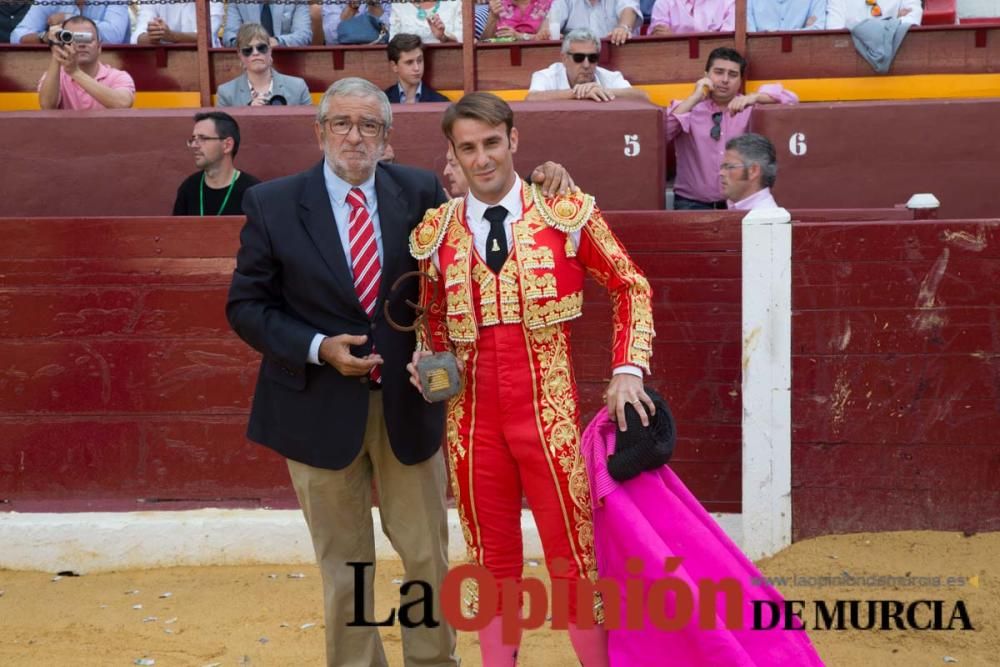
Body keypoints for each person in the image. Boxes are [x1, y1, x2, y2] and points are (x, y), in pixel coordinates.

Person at [408, 92, 655, 667]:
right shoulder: (436, 232)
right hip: (470, 422)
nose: (483, 158)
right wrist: (425, 360)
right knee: (490, 561)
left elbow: (630, 286)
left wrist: (627, 370)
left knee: (574, 558)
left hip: (550, 417)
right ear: (453, 154)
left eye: (492, 143)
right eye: (468, 148)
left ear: (513, 140)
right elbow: (433, 321)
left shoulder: (565, 213)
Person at [226, 77, 457, 667]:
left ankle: (433, 661)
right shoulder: (273, 203)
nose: (355, 137)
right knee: (345, 561)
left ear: (387, 137)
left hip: (407, 402)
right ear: (319, 131)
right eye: (342, 125)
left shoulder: (421, 189)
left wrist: (549, 178)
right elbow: (246, 307)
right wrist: (317, 346)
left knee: (426, 553)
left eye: (369, 126)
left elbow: (454, 278)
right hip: (315, 404)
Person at [665, 47, 797, 210]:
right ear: (706, 75)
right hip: (690, 203)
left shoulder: (750, 107)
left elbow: (791, 100)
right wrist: (695, 97)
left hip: (739, 204)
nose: (725, 80)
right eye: (719, 72)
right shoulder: (687, 108)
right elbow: (660, 134)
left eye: (733, 75)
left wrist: (754, 97)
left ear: (741, 80)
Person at [174, 111, 261, 217]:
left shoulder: (253, 192)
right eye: (193, 139)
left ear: (227, 145)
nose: (194, 146)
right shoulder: (189, 187)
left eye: (203, 138)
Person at [37, 15, 135, 110]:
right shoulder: (54, 77)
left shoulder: (118, 77)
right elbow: (47, 106)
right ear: (63, 43)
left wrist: (75, 72)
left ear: (99, 47)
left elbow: (122, 104)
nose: (82, 44)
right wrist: (57, 50)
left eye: (87, 38)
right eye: (74, 38)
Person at [526, 28, 649, 102]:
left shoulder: (609, 77)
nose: (586, 64)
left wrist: (601, 91)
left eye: (592, 58)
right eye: (578, 58)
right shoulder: (546, 75)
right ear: (564, 58)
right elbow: (531, 99)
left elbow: (642, 97)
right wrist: (577, 93)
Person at [216, 23, 311, 106]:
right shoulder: (226, 93)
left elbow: (309, 123)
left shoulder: (298, 87)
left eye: (261, 48)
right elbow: (224, 126)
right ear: (240, 55)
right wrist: (248, 112)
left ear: (270, 50)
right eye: (247, 50)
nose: (255, 53)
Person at [12, 1, 130, 44]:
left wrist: (70, 20)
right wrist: (44, 37)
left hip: (107, 68)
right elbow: (17, 36)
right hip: (58, 69)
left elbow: (113, 36)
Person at [384, 33, 450, 104]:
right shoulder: (381, 102)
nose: (417, 68)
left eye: (419, 61)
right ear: (394, 66)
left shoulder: (441, 102)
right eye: (409, 62)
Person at [721, 133, 780, 211]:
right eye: (722, 167)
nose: (721, 173)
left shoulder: (766, 219)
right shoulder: (740, 211)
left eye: (730, 167)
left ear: (753, 171)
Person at [546, 0, 642, 45]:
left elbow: (629, 9)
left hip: (618, 56)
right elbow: (552, 20)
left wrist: (623, 27)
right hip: (577, 61)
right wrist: (545, 32)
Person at [132, 1, 225, 46]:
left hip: (205, 65)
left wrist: (172, 36)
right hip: (162, 66)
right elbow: (137, 38)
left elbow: (206, 36)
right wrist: (154, 36)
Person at [223, 0, 312, 47]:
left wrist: (277, 41)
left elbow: (304, 35)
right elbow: (229, 37)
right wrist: (249, 42)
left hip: (287, 58)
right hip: (250, 58)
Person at [389, 0, 463, 43]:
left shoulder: (455, 4)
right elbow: (393, 46)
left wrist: (443, 37)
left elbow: (464, 41)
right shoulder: (398, 7)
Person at [321, 0, 389, 44]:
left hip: (378, 53)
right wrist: (352, 7)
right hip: (345, 53)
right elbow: (331, 39)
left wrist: (374, 5)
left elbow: (390, 35)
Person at [480, 0, 554, 41]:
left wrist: (519, 36)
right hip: (502, 57)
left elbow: (549, 37)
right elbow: (484, 41)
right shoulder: (499, 4)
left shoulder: (548, 3)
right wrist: (493, 16)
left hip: (540, 55)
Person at [648, 0, 734, 35]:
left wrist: (676, 37)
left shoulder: (729, 2)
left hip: (717, 65)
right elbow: (660, 38)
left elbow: (727, 42)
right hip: (672, 62)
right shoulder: (664, 2)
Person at [826, 0, 922, 30]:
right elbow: (834, 31)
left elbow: (912, 20)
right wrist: (893, 22)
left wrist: (856, 28)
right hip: (852, 60)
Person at [748, 0, 826, 31]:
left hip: (803, 55)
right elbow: (749, 35)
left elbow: (817, 28)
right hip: (760, 56)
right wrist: (802, 30)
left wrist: (771, 33)